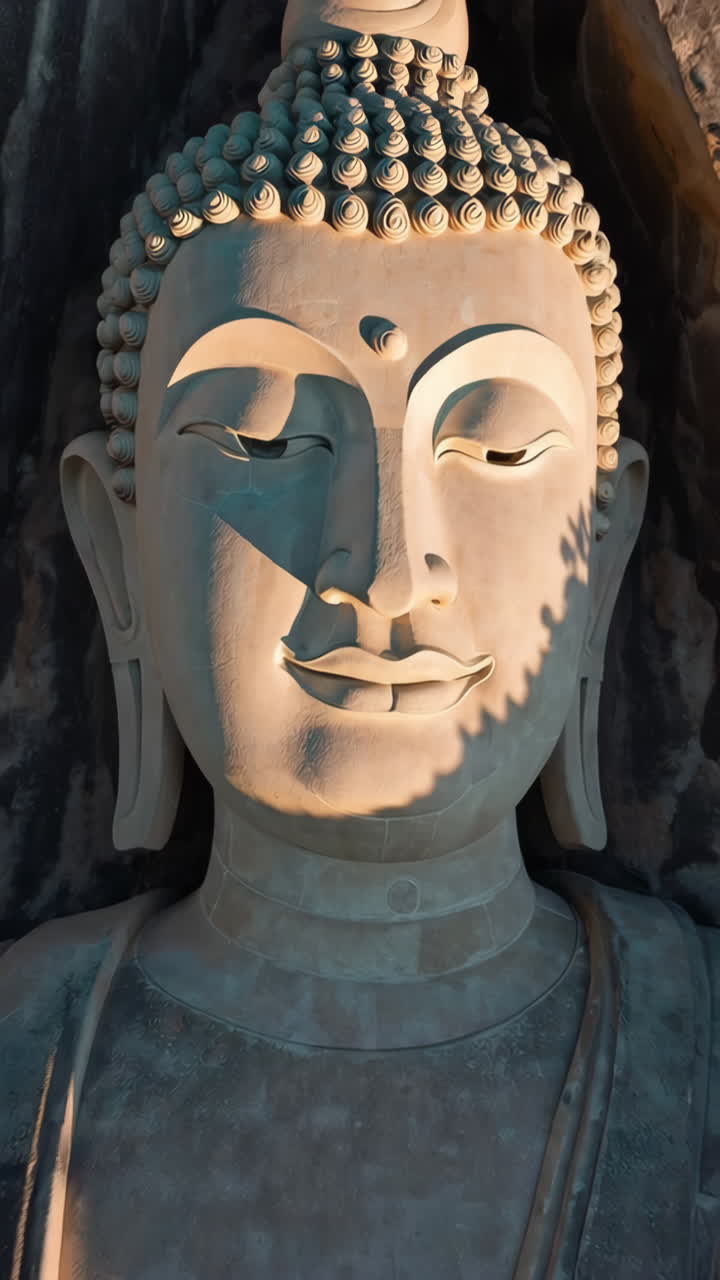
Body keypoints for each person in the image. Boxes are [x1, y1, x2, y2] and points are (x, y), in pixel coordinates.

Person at [2, 2, 718, 1275]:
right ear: (116, 550)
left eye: (496, 446)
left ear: (600, 554)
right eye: (267, 437)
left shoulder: (698, 1053)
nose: (389, 569)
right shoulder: (22, 1055)